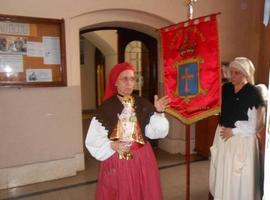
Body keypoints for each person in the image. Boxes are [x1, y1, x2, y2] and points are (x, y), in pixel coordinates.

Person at [85, 62, 170, 200]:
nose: (129, 83)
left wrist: (159, 112)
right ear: (115, 82)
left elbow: (156, 132)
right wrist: (112, 145)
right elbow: (92, 140)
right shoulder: (106, 108)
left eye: (132, 79)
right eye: (124, 79)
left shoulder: (143, 103)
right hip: (117, 160)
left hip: (143, 159)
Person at [209, 57, 265, 200]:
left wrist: (233, 131)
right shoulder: (226, 88)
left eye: (236, 73)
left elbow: (254, 125)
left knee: (237, 177)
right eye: (231, 72)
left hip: (241, 140)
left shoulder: (253, 92)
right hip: (223, 137)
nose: (231, 76)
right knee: (223, 173)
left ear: (245, 74)